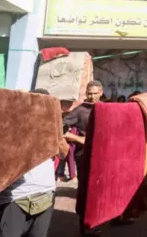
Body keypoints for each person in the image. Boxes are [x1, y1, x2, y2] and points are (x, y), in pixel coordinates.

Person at [0, 89, 69, 237]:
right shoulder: (14, 126)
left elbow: (64, 153)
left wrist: (56, 133)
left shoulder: (53, 128)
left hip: (45, 196)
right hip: (17, 198)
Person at [62, 80, 103, 237]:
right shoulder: (80, 111)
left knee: (99, 191)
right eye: (89, 93)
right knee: (86, 192)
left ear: (101, 92)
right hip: (84, 156)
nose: (92, 96)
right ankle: (86, 229)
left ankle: (97, 223)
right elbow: (60, 127)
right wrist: (79, 140)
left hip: (102, 157)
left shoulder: (106, 108)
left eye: (95, 93)